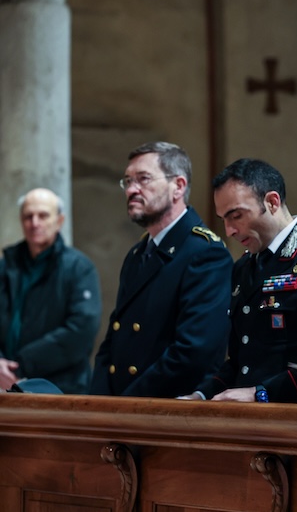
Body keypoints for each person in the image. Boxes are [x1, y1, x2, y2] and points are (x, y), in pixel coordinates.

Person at [182, 158, 297, 403]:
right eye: (223, 220)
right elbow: (242, 362)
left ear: (272, 202)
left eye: (236, 216)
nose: (229, 230)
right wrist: (201, 395)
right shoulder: (244, 266)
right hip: (251, 416)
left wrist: (261, 393)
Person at [90, 141, 232, 398]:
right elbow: (113, 340)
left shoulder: (205, 253)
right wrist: (100, 400)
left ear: (178, 186)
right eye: (127, 181)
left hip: (168, 407)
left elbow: (193, 352)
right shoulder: (138, 254)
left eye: (143, 179)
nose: (131, 189)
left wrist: (129, 403)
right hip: (122, 407)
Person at [0, 188, 102, 394]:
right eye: (28, 216)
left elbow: (81, 330)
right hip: (6, 384)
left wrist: (21, 366)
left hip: (60, 388)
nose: (34, 223)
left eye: (43, 215)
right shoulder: (6, 265)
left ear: (59, 221)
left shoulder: (79, 268)